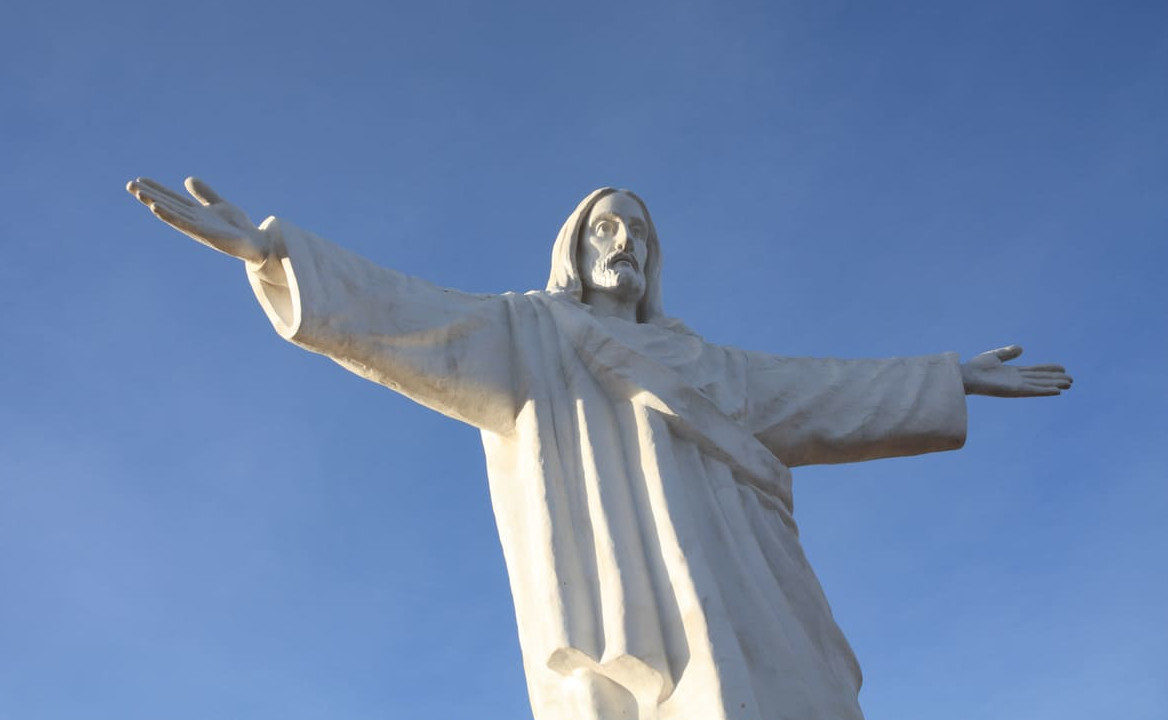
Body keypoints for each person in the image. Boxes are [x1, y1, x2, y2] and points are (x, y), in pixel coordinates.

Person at [127, 177, 1072, 720]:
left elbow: (821, 392)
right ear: (575, 248)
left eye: (640, 234)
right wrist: (279, 258)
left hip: (750, 580)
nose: (626, 242)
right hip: (635, 589)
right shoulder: (528, 333)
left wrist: (949, 377)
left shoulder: (707, 362)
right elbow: (408, 318)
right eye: (607, 227)